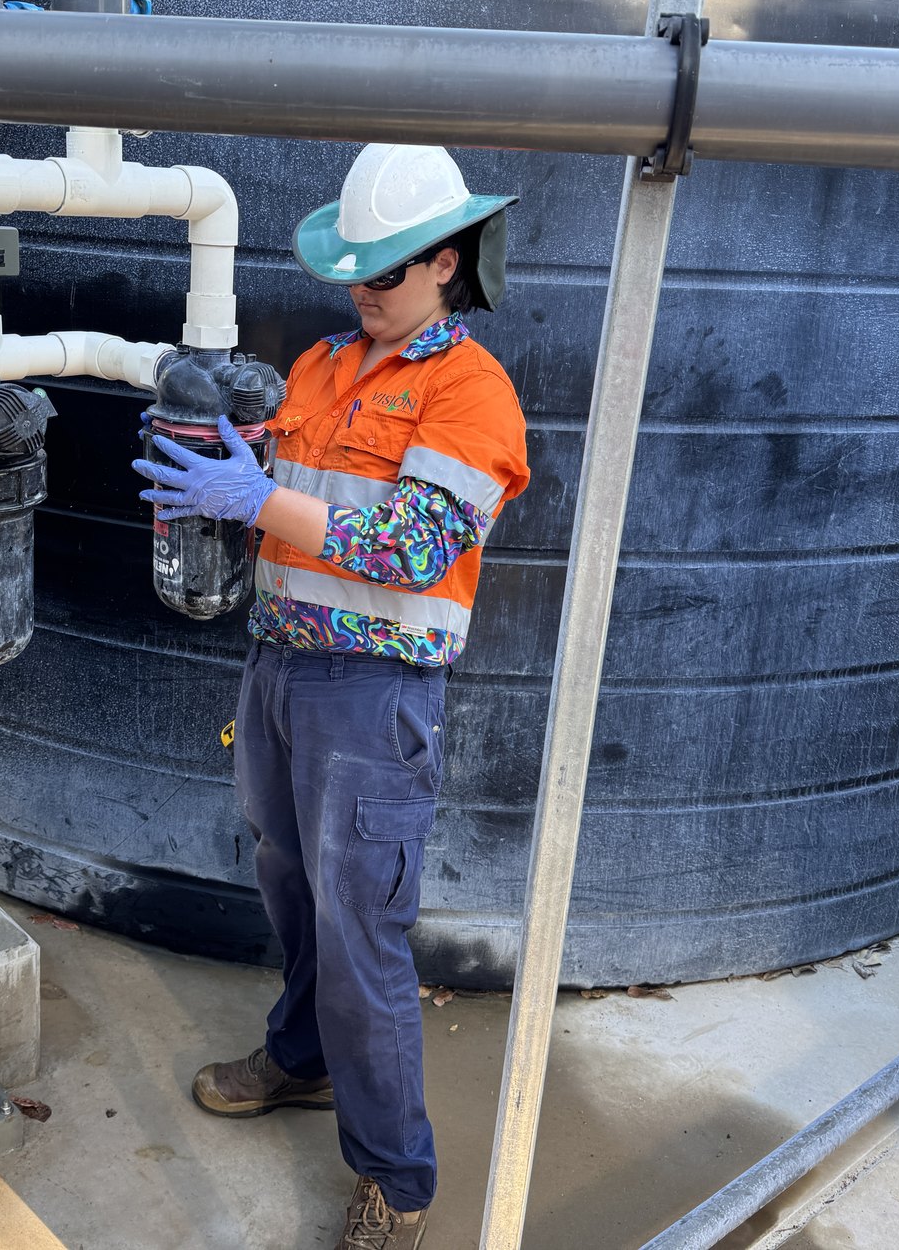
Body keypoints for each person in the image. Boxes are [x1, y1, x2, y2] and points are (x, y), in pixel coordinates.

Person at [134, 143, 531, 1250]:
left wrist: (253, 497)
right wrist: (207, 460)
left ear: (446, 262)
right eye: (353, 269)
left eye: (387, 271)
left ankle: (397, 1183)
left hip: (373, 694)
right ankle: (303, 1060)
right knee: (294, 889)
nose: (363, 289)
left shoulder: (470, 392)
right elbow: (268, 481)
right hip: (280, 670)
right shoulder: (318, 364)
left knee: (361, 934)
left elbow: (412, 546)